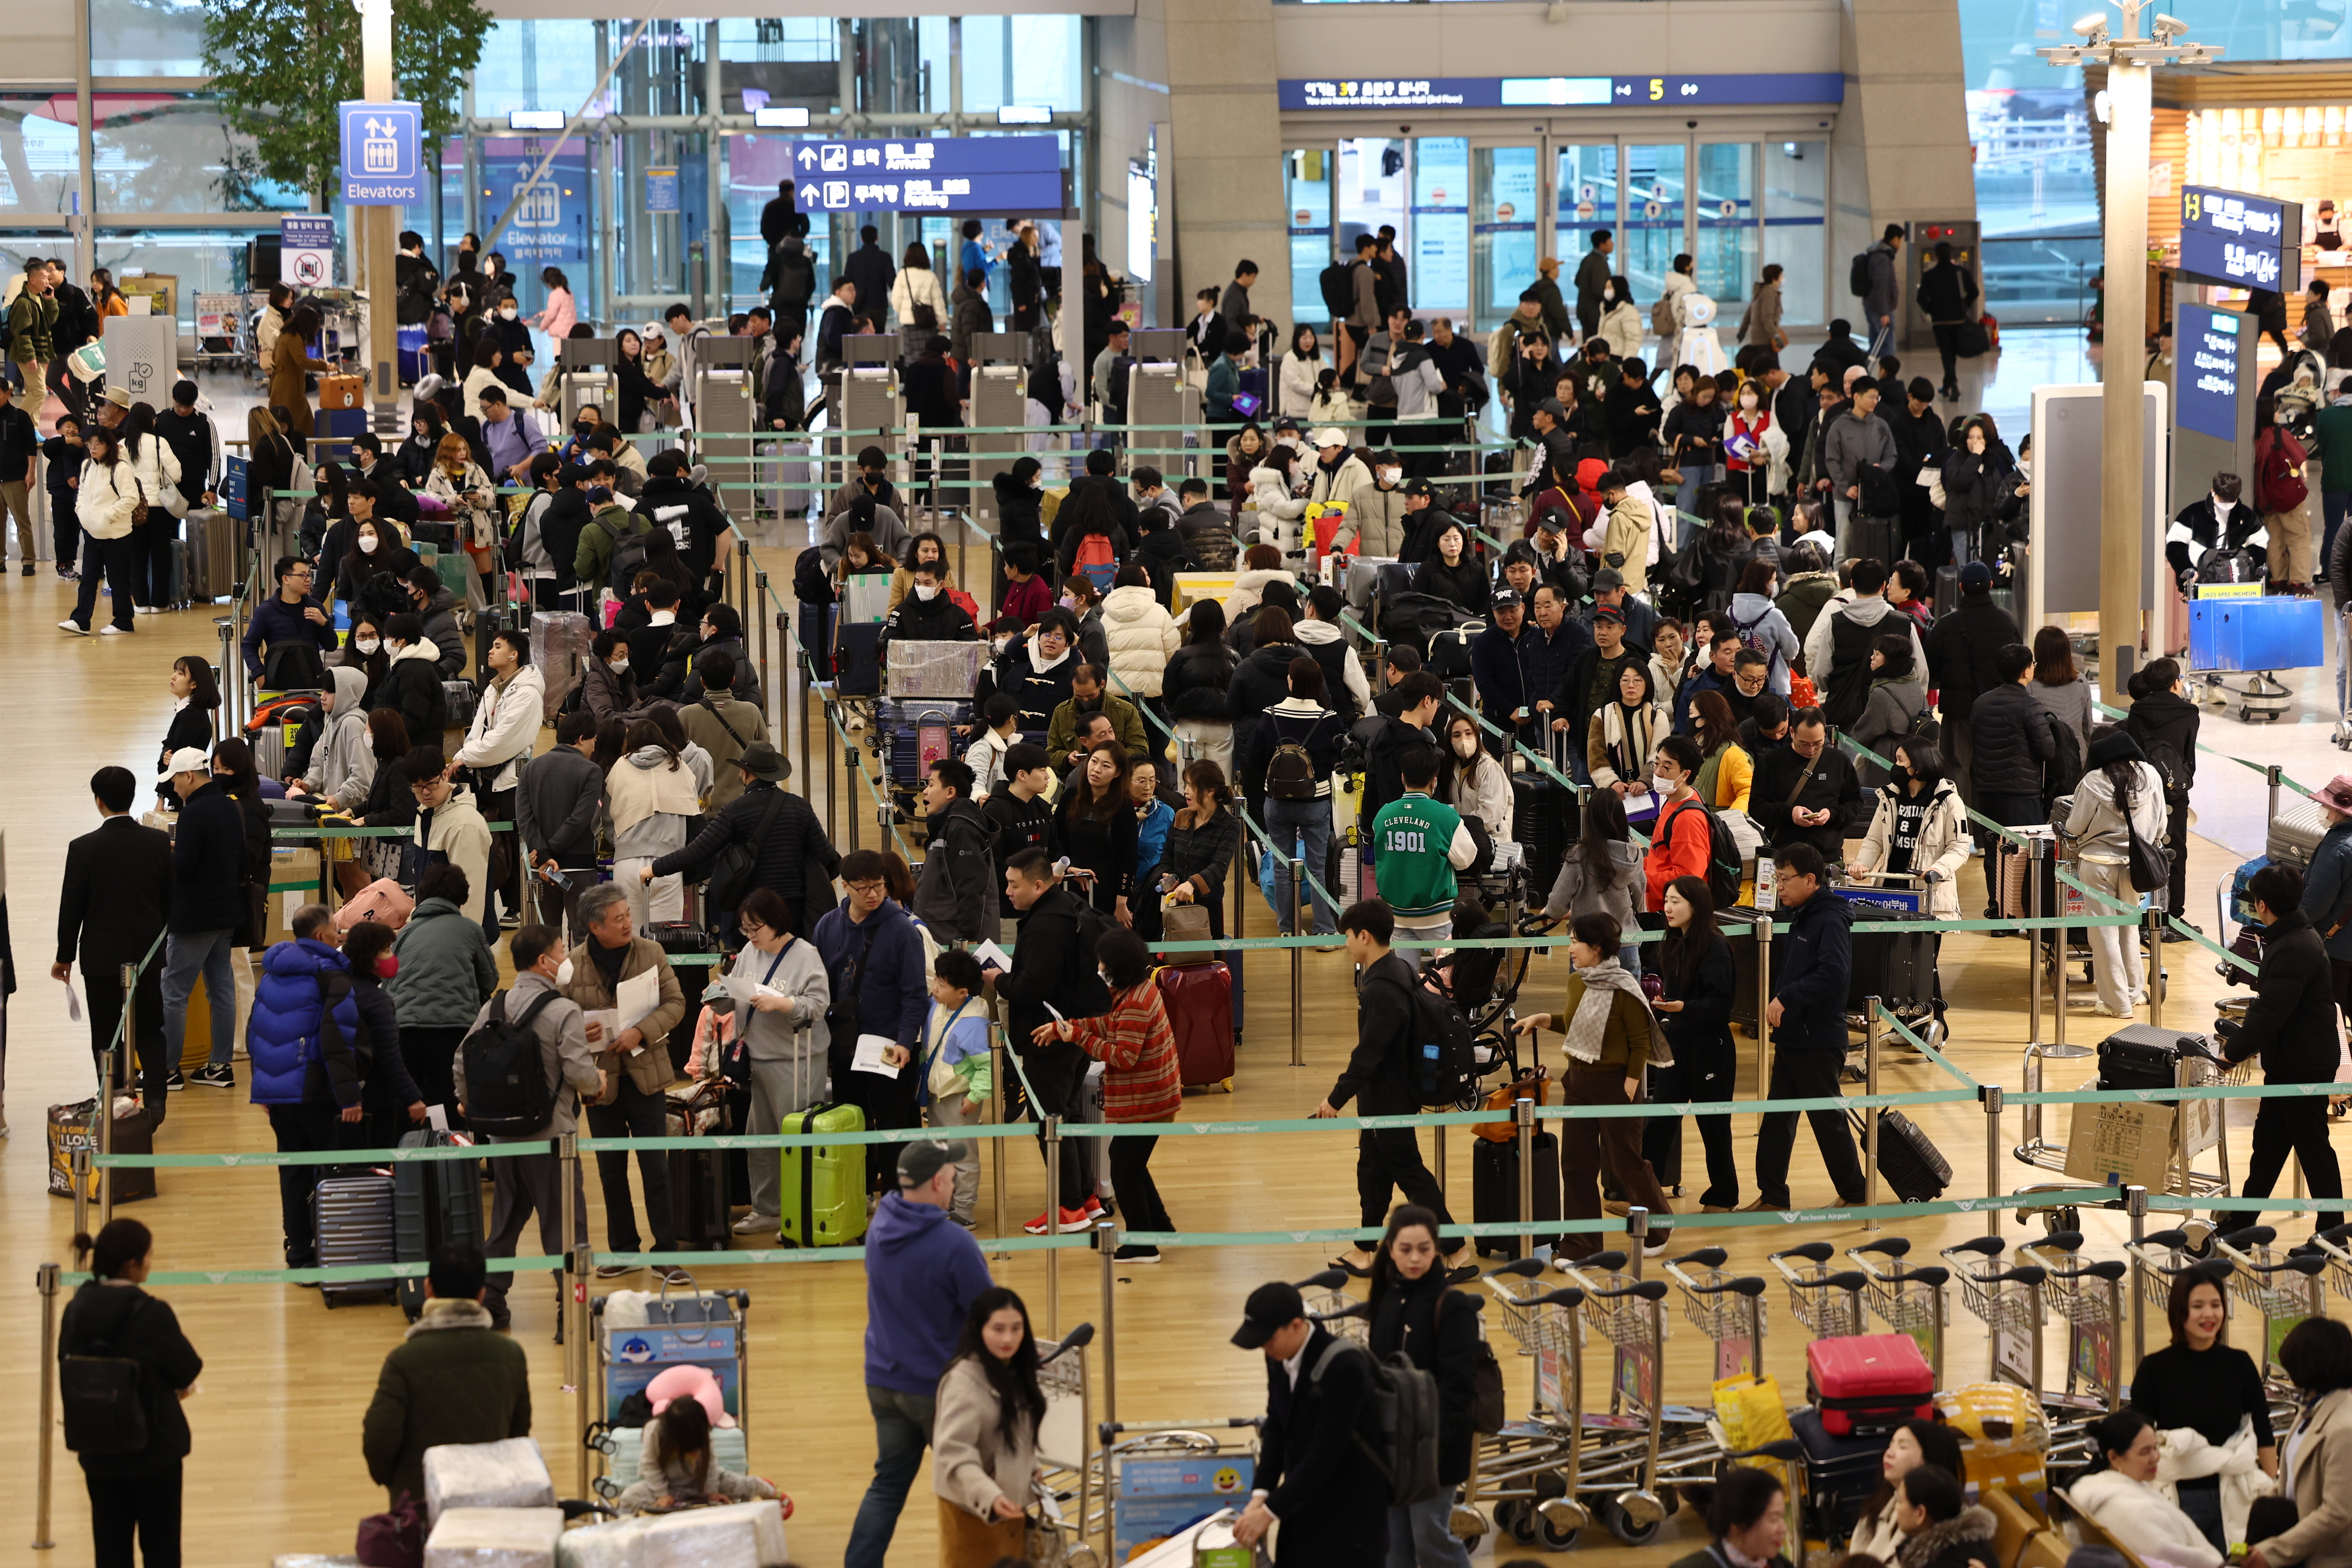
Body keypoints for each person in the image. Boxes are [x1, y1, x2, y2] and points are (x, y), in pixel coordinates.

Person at [843, 1138, 995, 1568]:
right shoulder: (953, 1242)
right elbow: (990, 1312)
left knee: (887, 1484)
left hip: (883, 1380)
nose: (953, 1181)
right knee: (973, 1485)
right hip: (937, 1388)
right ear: (936, 1182)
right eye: (950, 1174)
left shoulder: (880, 1225)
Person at [455, 925, 599, 1329]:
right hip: (552, 1138)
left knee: (504, 1221)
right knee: (565, 1224)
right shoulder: (562, 1010)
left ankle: (492, 1300)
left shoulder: (494, 1008)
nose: (566, 955)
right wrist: (598, 1082)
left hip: (504, 1135)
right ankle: (573, 1309)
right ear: (544, 962)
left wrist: (469, 1101)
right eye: (561, 950)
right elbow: (581, 1075)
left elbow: (462, 1062)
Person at [1517, 911, 1675, 1258]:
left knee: (1625, 1162)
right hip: (1578, 1082)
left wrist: (1630, 1084)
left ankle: (1660, 1224)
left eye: (1576, 942)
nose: (1570, 947)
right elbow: (1575, 1024)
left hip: (1616, 1085)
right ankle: (1581, 1247)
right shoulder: (1579, 982)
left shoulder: (1624, 986)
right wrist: (1544, 1019)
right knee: (1575, 1164)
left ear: (1598, 947)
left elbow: (1640, 1041)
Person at [1312, 898, 1458, 1269]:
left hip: (1389, 1097)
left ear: (1364, 936)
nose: (1345, 944)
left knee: (1410, 1173)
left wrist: (1335, 1099)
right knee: (1373, 1172)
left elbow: (1369, 1053)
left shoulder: (1382, 988)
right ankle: (1365, 1250)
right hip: (1385, 1095)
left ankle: (1455, 1249)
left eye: (1347, 936)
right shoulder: (1397, 970)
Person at [559, 884, 687, 1279]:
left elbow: (676, 1004)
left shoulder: (652, 953)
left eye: (628, 915)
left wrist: (642, 1031)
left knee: (657, 1170)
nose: (629, 922)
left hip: (647, 1076)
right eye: (619, 918)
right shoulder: (572, 964)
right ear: (595, 927)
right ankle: (623, 1249)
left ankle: (666, 1251)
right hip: (600, 1082)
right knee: (610, 1171)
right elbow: (559, 1021)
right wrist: (583, 1034)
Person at [59, 1218, 202, 1568]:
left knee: (110, 1551)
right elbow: (186, 1370)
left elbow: (67, 1368)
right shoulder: (153, 1313)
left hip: (99, 1451)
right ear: (131, 1264)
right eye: (148, 1256)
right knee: (161, 1551)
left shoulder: (75, 1310)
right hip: (153, 1453)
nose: (152, 1262)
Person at [1034, 928, 1181, 1262]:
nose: (1097, 966)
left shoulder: (1134, 1002)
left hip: (1148, 1098)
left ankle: (1143, 1243)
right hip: (1154, 1095)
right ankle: (1158, 1225)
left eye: (1102, 961)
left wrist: (1077, 1037)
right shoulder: (1135, 991)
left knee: (1125, 1168)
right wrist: (1068, 1028)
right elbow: (1110, 1024)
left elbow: (1122, 1056)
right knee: (1130, 1161)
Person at [2217, 862, 2346, 1236]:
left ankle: (2333, 1236)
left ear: (2260, 905)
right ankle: (2240, 1227)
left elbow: (2272, 1010)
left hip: (2302, 1066)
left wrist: (2232, 1053)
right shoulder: (2296, 937)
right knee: (2269, 1148)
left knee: (2314, 1152)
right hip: (2293, 1060)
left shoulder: (2292, 947)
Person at [989, 848, 1112, 1231]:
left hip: (1049, 1035)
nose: (1007, 891)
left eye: (1014, 884)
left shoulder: (1044, 925)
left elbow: (1032, 985)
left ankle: (1069, 1207)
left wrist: (999, 979)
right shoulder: (1070, 905)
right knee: (1070, 1112)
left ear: (1038, 884)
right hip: (1078, 1028)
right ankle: (1086, 1198)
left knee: (1050, 1120)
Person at [1228, 1277, 1389, 1563]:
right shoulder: (1278, 1355)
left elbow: (1325, 1454)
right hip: (1303, 1501)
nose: (1264, 1348)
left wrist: (1269, 1512)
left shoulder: (1345, 1367)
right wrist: (1261, 1493)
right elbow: (1276, 1423)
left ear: (1297, 1326)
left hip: (1351, 1514)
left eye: (1268, 1339)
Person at [359, 1242, 531, 1505]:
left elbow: (379, 1439)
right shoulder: (512, 1354)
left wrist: (400, 1484)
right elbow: (518, 1436)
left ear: (428, 1288)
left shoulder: (403, 1360)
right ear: (482, 1294)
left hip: (420, 1505)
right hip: (488, 1500)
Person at [1362, 1205, 1482, 1568]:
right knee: (1394, 1544)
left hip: (1434, 1450)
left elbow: (1458, 1386)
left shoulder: (1452, 1305)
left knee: (1430, 1538)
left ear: (1437, 1250)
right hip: (1392, 1444)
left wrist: (1436, 1447)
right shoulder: (1385, 1297)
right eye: (1405, 1249)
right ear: (1391, 1248)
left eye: (1425, 1249)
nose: (1415, 1258)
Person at [248, 905, 367, 1267]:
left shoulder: (271, 973)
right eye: (335, 928)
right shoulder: (332, 975)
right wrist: (350, 1096)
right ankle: (336, 1251)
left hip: (278, 1093)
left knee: (293, 1174)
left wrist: (263, 1089)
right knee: (333, 1171)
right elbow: (339, 1039)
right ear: (321, 936)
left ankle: (299, 1252)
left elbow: (258, 1032)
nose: (339, 933)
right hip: (317, 1092)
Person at [2129, 1268, 2280, 1549]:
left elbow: (2263, 1429)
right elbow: (2140, 1438)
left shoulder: (2239, 1364)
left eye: (2216, 1305)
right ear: (2179, 1311)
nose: (2209, 1315)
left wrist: (2273, 1490)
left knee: (2236, 1562)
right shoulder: (2155, 1368)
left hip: (2235, 1495)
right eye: (2197, 1306)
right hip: (2177, 1496)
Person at [1750, 844, 1865, 1210]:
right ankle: (1773, 1196)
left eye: (1785, 880)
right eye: (1777, 879)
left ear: (1810, 880)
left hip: (1817, 1039)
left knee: (1827, 1121)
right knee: (1777, 1121)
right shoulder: (1804, 913)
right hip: (1796, 1035)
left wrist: (1787, 998)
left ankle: (1857, 1193)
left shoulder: (1829, 919)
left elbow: (1834, 973)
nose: (1779, 887)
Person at [55, 767, 173, 1112]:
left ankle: (116, 1099)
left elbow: (71, 908)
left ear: (99, 801)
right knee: (150, 1027)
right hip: (148, 955)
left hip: (101, 957)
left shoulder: (83, 848)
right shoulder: (156, 843)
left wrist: (65, 956)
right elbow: (170, 901)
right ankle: (154, 1099)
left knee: (107, 1033)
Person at [814, 850, 933, 1195]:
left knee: (893, 1127)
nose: (873, 894)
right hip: (847, 1044)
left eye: (878, 886)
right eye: (863, 887)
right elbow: (821, 986)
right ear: (845, 886)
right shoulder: (828, 926)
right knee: (851, 1122)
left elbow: (915, 994)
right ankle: (856, 1196)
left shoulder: (902, 930)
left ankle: (896, 1201)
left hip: (890, 1046)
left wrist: (905, 1040)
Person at [929, 1286, 1049, 1567]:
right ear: (977, 1328)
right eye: (998, 1329)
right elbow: (954, 1453)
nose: (1008, 1338)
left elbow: (1018, 1433)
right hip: (972, 1512)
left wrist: (1031, 1466)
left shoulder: (1016, 1369)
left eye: (1016, 1328)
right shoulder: (962, 1383)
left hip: (1010, 1508)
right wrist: (990, 1496)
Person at [2060, 728, 2167, 1018]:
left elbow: (2074, 826)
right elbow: (2160, 827)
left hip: (2098, 864)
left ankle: (2116, 1003)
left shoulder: (2093, 781)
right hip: (2137, 865)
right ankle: (2134, 993)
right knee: (2129, 928)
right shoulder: (2152, 777)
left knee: (2103, 933)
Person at [156, 745, 243, 1094]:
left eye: (175, 780)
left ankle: (166, 1070)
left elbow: (184, 868)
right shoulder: (228, 806)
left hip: (195, 917)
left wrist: (167, 854)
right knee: (221, 989)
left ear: (189, 776)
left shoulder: (194, 814)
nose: (173, 787)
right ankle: (220, 1066)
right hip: (226, 912)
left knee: (174, 991)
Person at [382, 865, 497, 1127]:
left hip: (406, 1030)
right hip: (453, 1030)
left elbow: (389, 982)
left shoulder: (406, 932)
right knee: (451, 1099)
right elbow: (490, 979)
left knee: (410, 1102)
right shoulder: (470, 929)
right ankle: (453, 1163)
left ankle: (411, 1160)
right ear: (462, 896)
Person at [2247, 1316, 2352, 1568]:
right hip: (2300, 1546)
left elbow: (2336, 1512)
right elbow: (2293, 1481)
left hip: (2327, 1559)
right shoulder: (2312, 1409)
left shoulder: (2344, 1429)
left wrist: (2273, 1551)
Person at [2067, 1410, 2227, 1568]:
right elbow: (2169, 1555)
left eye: (2156, 1447)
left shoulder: (2104, 1488)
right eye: (2145, 1452)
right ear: (2114, 1457)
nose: (2156, 1457)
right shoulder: (2126, 1507)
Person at [2127, 658, 2202, 932]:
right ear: (2174, 683)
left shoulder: (2137, 711)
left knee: (2141, 848)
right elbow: (2188, 756)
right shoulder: (2189, 713)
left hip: (2143, 791)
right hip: (2174, 792)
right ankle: (2174, 916)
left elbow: (2134, 752)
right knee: (2176, 852)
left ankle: (2139, 912)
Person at [1749, 707, 1867, 864]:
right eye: (1803, 744)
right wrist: (1789, 813)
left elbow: (1856, 805)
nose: (1811, 750)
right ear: (1792, 733)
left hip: (1828, 859)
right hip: (1784, 858)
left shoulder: (1839, 761)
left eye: (1818, 743)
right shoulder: (1771, 762)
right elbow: (1757, 808)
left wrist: (1832, 814)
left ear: (1824, 734)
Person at [59, 424, 141, 637]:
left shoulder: (121, 469)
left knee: (117, 580)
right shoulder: (87, 465)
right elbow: (83, 493)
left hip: (116, 535)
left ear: (108, 445)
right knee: (88, 578)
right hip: (92, 532)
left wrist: (108, 516)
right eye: (89, 444)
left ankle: (123, 621)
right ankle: (81, 621)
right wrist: (82, 512)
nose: (93, 448)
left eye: (98, 444)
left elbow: (131, 499)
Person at [1848, 634, 1929, 790]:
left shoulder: (1882, 693)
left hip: (1888, 758)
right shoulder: (1915, 685)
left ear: (1889, 660)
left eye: (1877, 654)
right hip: (1915, 756)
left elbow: (1865, 732)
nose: (1872, 657)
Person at [2031, 625, 2096, 761]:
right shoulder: (2081, 682)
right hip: (2078, 758)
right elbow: (2088, 728)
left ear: (2039, 653)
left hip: (2048, 761)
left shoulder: (2030, 686)